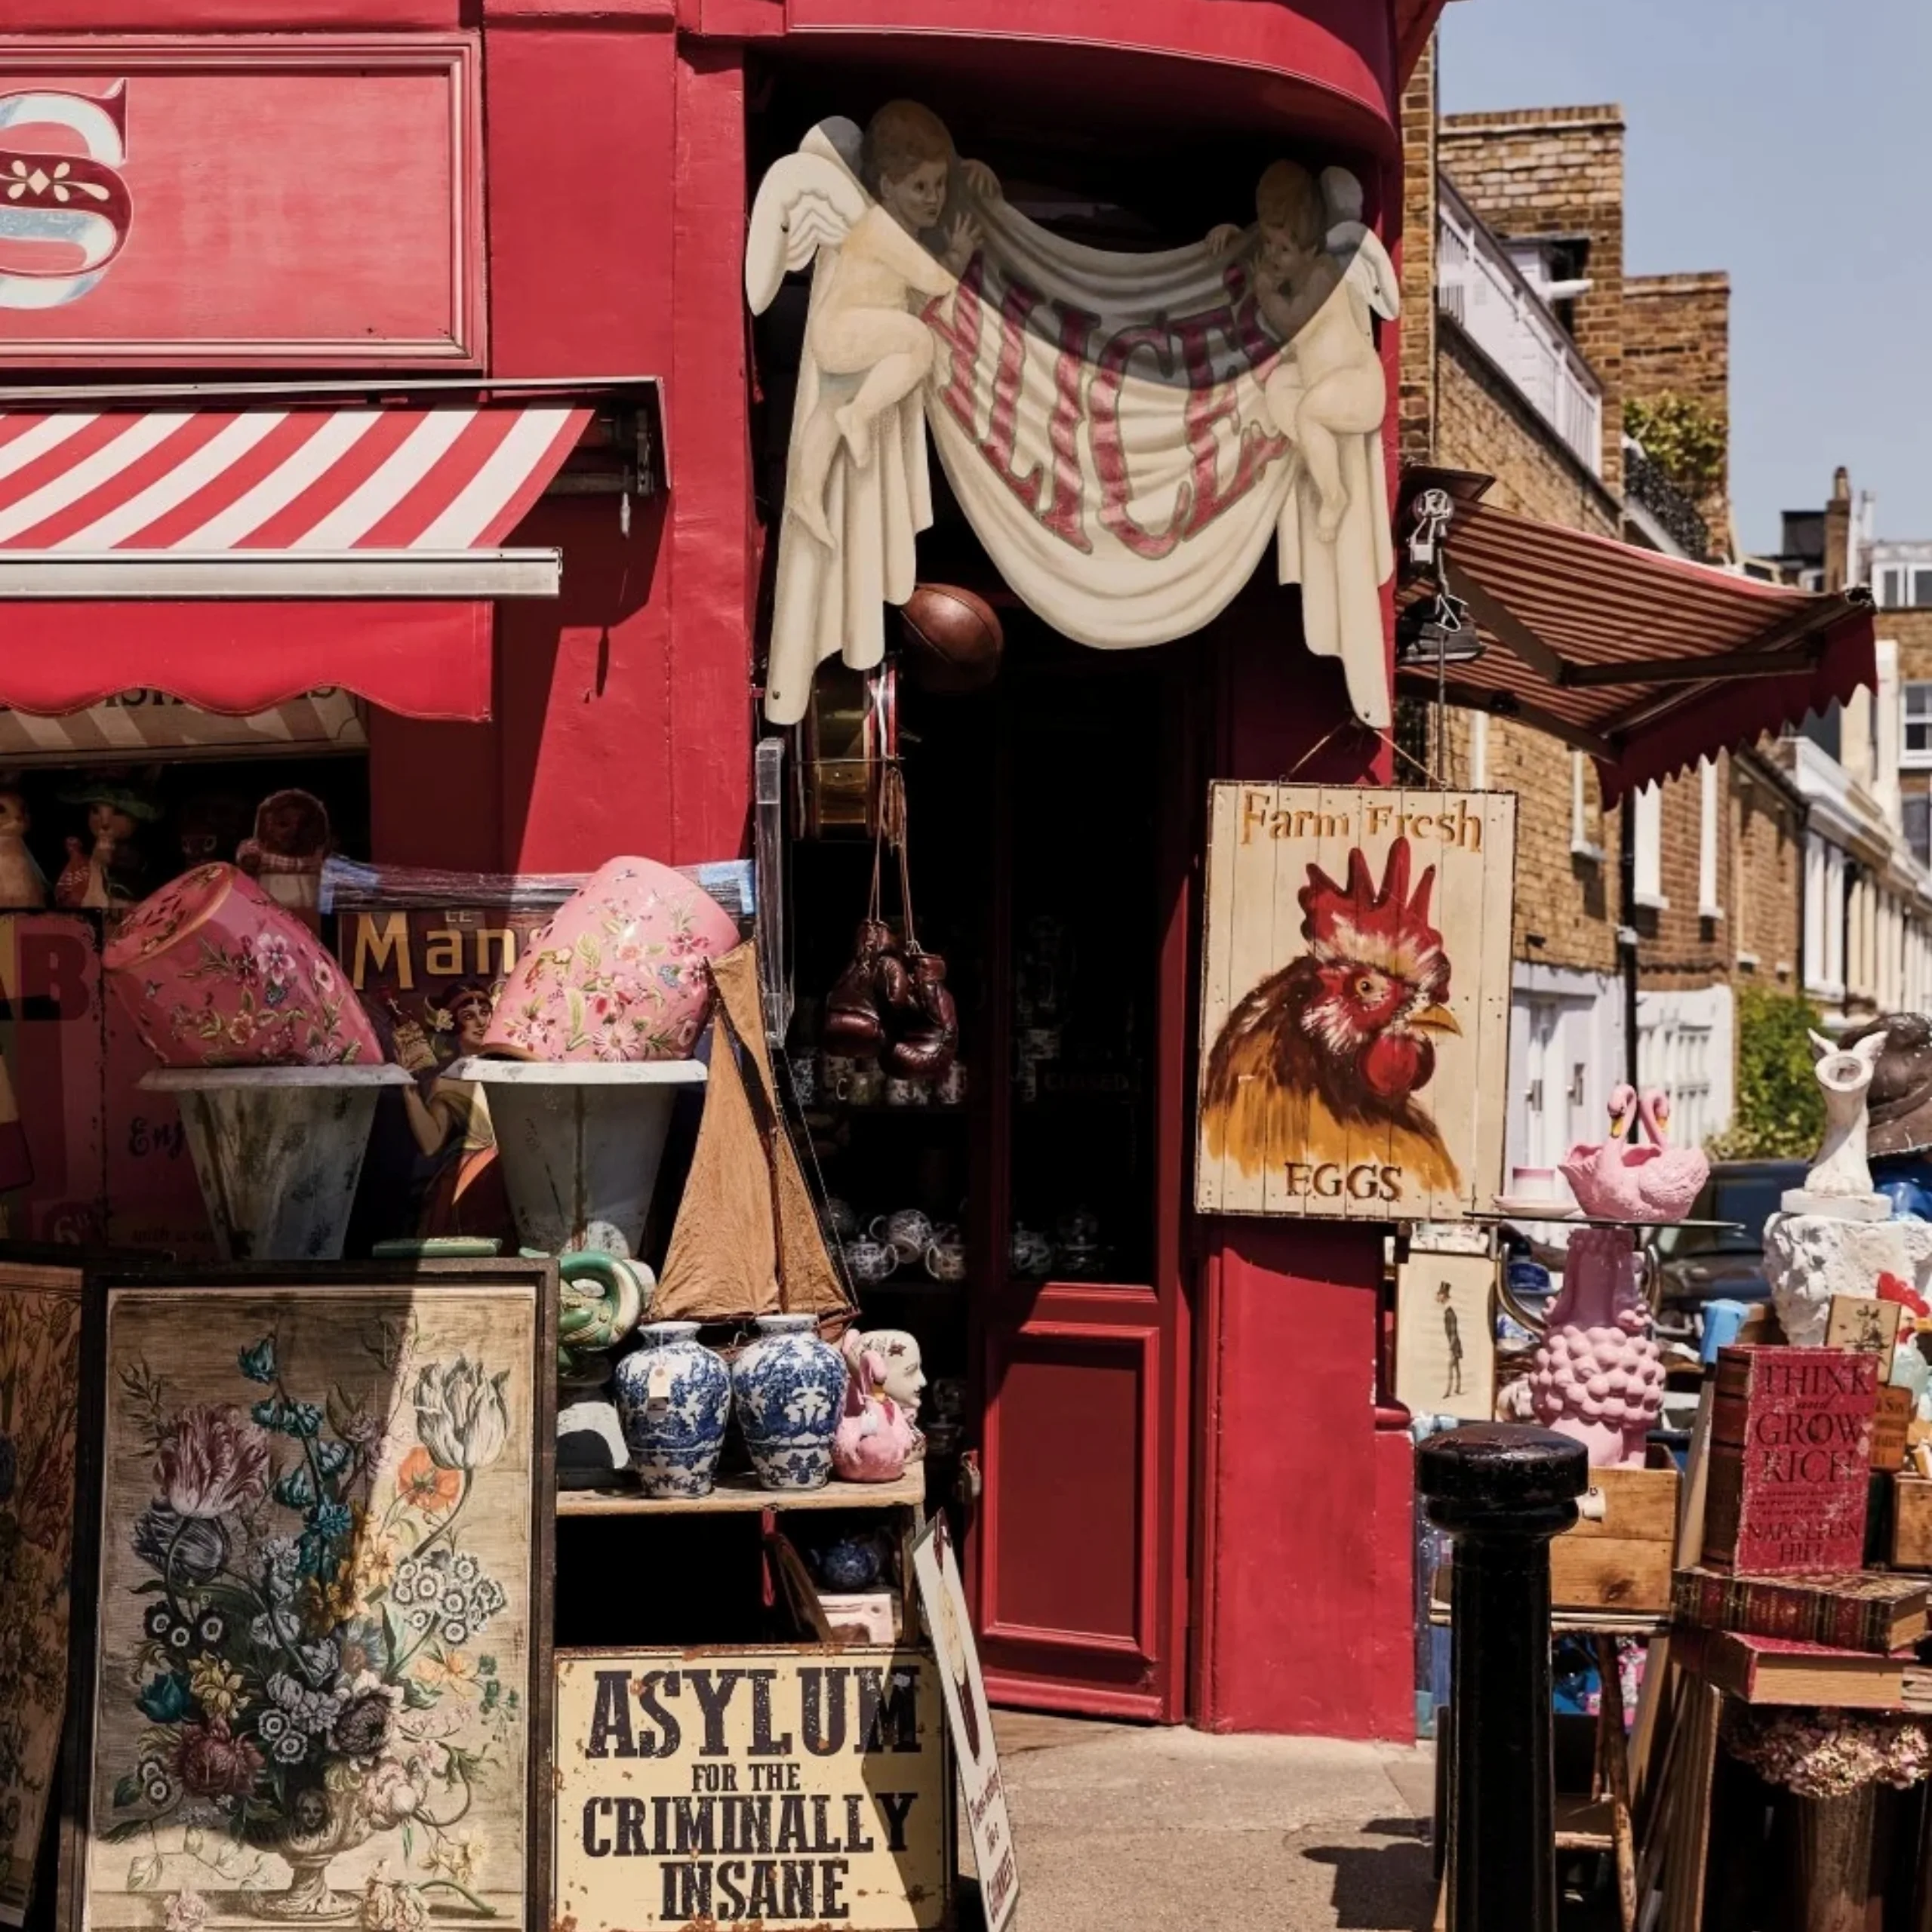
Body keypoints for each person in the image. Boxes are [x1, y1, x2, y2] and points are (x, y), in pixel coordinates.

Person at [788, 100, 987, 544]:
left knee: (827, 406)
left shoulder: (887, 222)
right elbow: (934, 281)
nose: (934, 198)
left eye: (939, 185)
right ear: (886, 186)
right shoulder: (881, 228)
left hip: (846, 332)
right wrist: (959, 255)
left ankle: (805, 495)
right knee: (918, 343)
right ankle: (860, 416)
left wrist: (968, 171)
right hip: (847, 329)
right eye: (920, 187)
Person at [1438, 1278, 1464, 1399]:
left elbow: (1453, 1332)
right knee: (1456, 1366)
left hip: (1454, 1344)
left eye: (1440, 1294)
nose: (1438, 1296)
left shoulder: (1450, 1313)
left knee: (1450, 1366)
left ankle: (1448, 1391)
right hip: (1455, 1343)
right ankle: (1458, 1388)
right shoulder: (1447, 1312)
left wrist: (1451, 1348)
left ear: (1445, 1296)